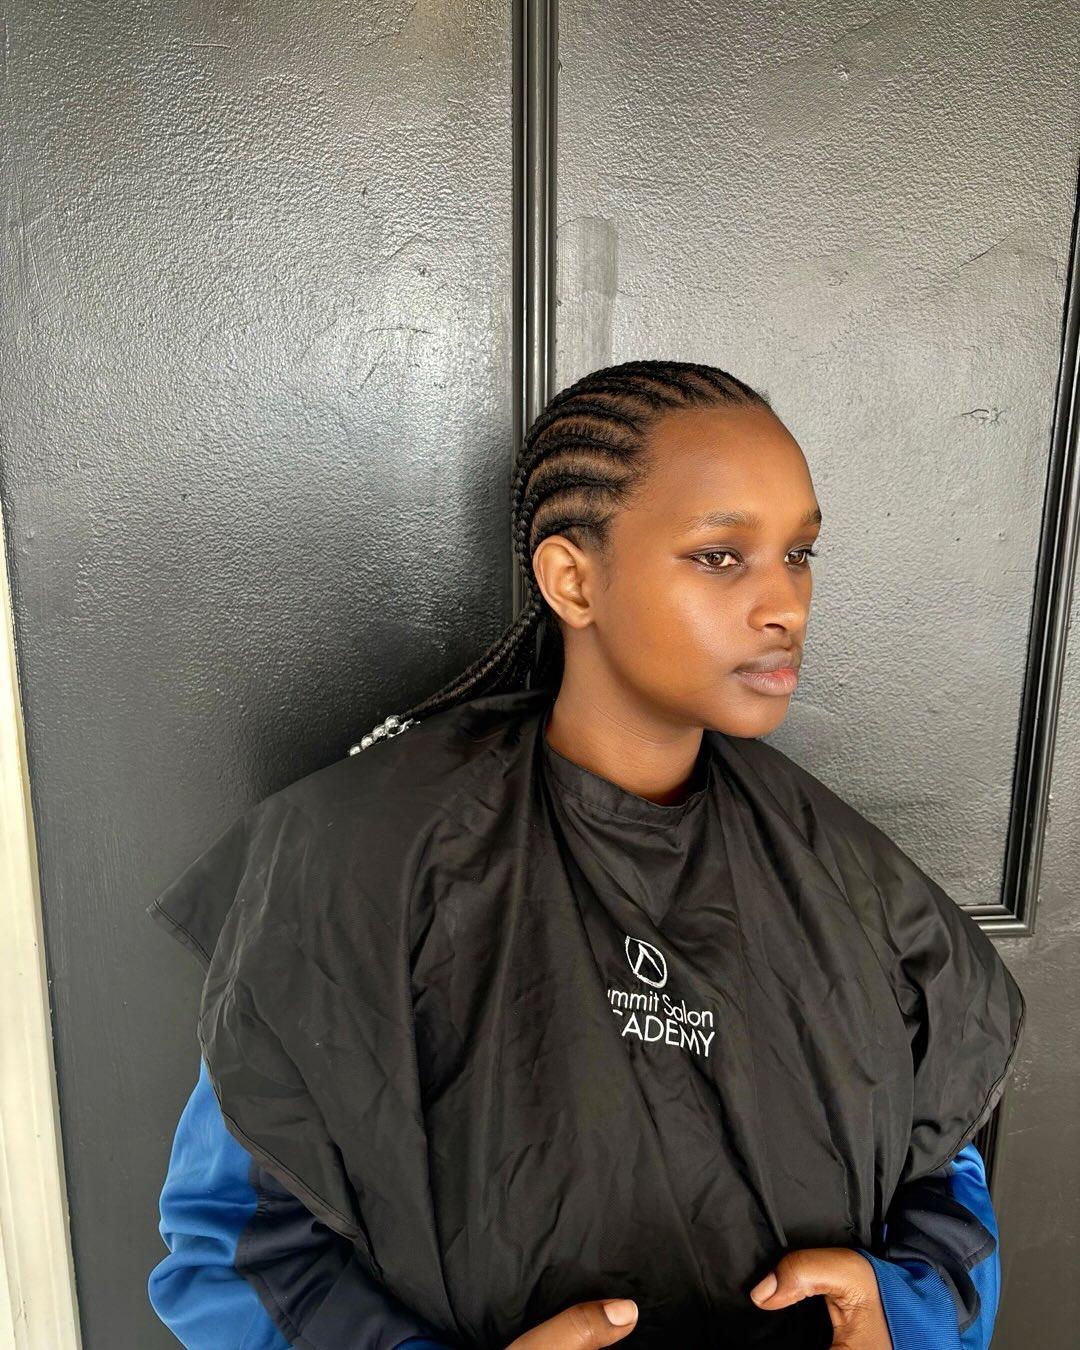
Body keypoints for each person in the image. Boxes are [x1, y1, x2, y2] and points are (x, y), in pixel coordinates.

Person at [147, 360, 1025, 1349]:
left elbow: (944, 1176)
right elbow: (234, 1247)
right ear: (573, 578)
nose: (786, 603)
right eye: (721, 557)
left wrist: (900, 1312)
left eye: (799, 553)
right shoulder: (353, 862)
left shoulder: (858, 884)